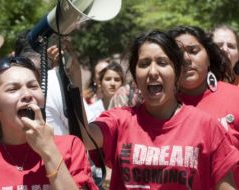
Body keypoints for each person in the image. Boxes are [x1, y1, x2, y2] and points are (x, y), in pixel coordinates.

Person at [81, 30, 239, 189]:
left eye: (162, 63)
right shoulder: (120, 120)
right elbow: (86, 138)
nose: (153, 71)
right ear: (135, 76)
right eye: (144, 64)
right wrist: (72, 80)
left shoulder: (206, 125)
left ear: (177, 72)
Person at [0, 56, 98, 189]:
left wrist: (48, 150)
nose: (27, 94)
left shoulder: (70, 146)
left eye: (33, 86)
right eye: (13, 89)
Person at [167, 25, 239, 188]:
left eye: (193, 51)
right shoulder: (159, 108)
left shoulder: (236, 97)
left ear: (208, 57)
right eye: (177, 54)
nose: (186, 59)